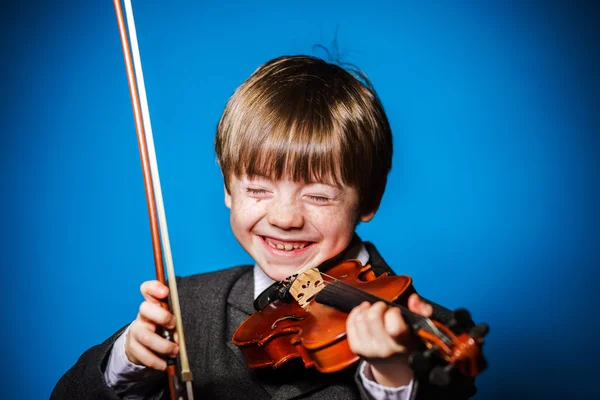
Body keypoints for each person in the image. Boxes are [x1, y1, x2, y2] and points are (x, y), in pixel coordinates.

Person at [52, 55, 477, 399]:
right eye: (257, 189)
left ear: (369, 200)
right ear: (228, 190)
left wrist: (391, 374)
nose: (285, 218)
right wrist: (128, 362)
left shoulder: (429, 330)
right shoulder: (187, 307)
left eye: (319, 195)